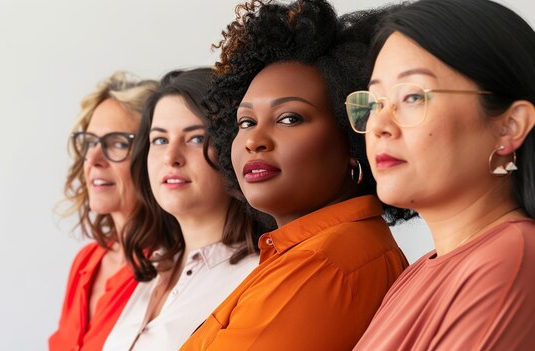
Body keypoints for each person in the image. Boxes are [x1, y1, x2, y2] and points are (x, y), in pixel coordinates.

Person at [181, 1, 412, 350]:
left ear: (354, 138)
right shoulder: (305, 252)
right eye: (245, 122)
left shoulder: (327, 263)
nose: (254, 141)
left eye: (289, 118)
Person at [346, 0, 535, 349]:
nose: (380, 126)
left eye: (413, 97)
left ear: (510, 126)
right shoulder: (416, 274)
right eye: (373, 103)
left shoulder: (511, 262)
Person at [101, 68, 273, 351]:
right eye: (160, 140)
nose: (171, 157)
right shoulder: (153, 267)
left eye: (194, 138)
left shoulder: (255, 277)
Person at [49, 72, 158, 351]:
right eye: (89, 142)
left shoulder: (171, 269)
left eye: (117, 143)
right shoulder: (86, 262)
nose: (94, 160)